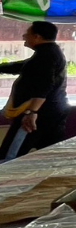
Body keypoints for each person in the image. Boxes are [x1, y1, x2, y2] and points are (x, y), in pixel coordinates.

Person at [0, 21, 69, 162]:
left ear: (37, 37)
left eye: (27, 33)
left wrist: (32, 113)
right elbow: (23, 66)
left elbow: (45, 85)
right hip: (53, 111)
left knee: (10, 157)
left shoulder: (46, 56)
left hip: (39, 115)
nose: (24, 36)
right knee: (49, 155)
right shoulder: (48, 53)